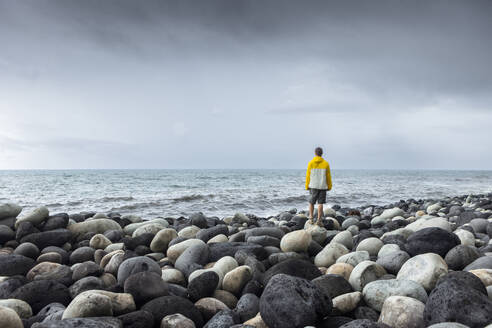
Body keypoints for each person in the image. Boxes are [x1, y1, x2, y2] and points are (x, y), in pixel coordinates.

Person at [305, 147, 332, 226]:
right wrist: (329, 186)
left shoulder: (311, 163)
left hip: (313, 185)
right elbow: (328, 176)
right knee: (320, 203)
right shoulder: (326, 163)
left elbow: (308, 176)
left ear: (315, 153)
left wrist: (307, 186)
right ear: (322, 153)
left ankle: (311, 218)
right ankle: (319, 220)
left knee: (311, 202)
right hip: (323, 186)